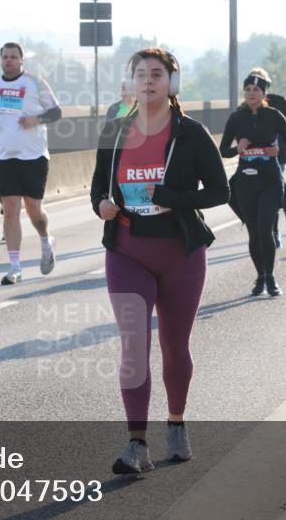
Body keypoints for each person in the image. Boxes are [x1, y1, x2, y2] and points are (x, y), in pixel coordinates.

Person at [90, 47, 229, 474]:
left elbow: (220, 192)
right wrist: (102, 206)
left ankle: (176, 423)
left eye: (156, 74)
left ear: (172, 83)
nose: (148, 81)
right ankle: (136, 444)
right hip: (128, 250)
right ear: (130, 82)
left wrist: (174, 200)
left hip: (180, 253)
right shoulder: (115, 131)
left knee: (174, 345)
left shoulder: (191, 134)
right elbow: (97, 188)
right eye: (140, 74)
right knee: (134, 347)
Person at [0, 42, 62, 285]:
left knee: (33, 210)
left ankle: (46, 239)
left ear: (22, 60)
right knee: (11, 210)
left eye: (13, 57)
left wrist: (36, 119)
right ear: (0, 60)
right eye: (5, 57)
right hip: (4, 157)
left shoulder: (35, 83)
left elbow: (56, 113)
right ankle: (14, 267)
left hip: (33, 156)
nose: (9, 60)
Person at [220, 70, 286, 297]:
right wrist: (238, 148)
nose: (251, 93)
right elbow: (223, 151)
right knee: (253, 231)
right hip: (245, 181)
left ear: (263, 93)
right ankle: (260, 276)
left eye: (256, 90)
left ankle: (271, 277)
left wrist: (278, 148)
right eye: (248, 90)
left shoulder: (273, 115)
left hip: (270, 178)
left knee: (265, 229)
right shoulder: (236, 118)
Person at [251, 67, 286, 250]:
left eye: (259, 82)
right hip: (252, 158)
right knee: (256, 197)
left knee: (271, 194)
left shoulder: (278, 101)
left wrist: (285, 133)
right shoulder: (247, 105)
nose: (254, 88)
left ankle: (274, 231)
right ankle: (260, 232)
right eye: (251, 83)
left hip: (277, 155)